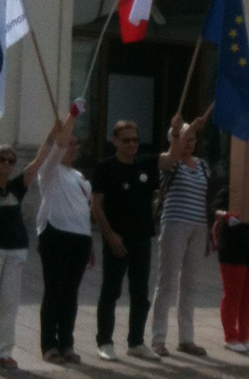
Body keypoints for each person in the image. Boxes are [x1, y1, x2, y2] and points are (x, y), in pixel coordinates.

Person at [91, 115, 188, 362]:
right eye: (126, 140)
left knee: (140, 293)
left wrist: (175, 132)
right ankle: (104, 341)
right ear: (115, 141)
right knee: (111, 291)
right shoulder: (105, 167)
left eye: (135, 140)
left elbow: (173, 157)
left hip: (142, 237)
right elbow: (96, 205)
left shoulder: (145, 163)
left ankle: (136, 342)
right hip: (116, 240)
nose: (132, 144)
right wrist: (110, 236)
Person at [149, 117, 211, 357]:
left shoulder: (203, 166)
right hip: (175, 224)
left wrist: (207, 233)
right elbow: (173, 156)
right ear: (175, 141)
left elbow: (204, 199)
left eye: (193, 139)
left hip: (198, 226)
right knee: (167, 282)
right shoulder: (171, 164)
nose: (190, 143)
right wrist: (188, 128)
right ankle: (158, 339)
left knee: (190, 284)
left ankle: (186, 338)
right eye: (186, 138)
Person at [36, 110, 93, 364]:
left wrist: (90, 244)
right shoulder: (50, 170)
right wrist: (72, 116)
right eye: (68, 142)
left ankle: (66, 343)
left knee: (71, 293)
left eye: (74, 143)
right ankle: (49, 344)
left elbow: (84, 211)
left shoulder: (81, 178)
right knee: (54, 291)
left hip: (80, 238)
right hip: (55, 234)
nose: (71, 147)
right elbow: (55, 148)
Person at [0, 134, 53, 368]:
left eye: (11, 161)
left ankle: (4, 352)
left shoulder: (16, 186)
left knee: (9, 303)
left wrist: (51, 136)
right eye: (2, 159)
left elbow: (38, 161)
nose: (7, 164)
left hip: (16, 249)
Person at [212, 196, 249, 353]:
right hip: (234, 247)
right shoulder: (231, 189)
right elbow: (213, 210)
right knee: (233, 294)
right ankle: (231, 337)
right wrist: (226, 215)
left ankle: (245, 337)